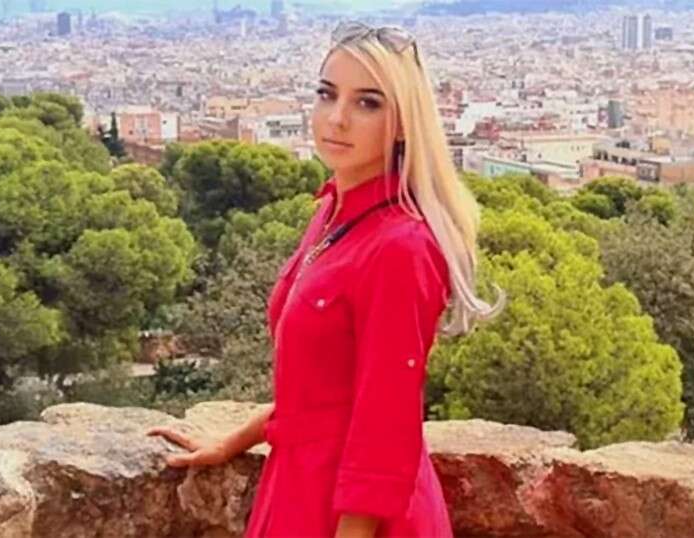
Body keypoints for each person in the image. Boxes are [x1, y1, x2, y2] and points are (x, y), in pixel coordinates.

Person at [147, 20, 506, 538]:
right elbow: (320, 389)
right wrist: (233, 442)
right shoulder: (334, 212)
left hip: (350, 514)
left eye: (368, 103)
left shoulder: (400, 246)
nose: (337, 118)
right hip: (298, 485)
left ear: (403, 124)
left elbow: (385, 418)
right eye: (326, 93)